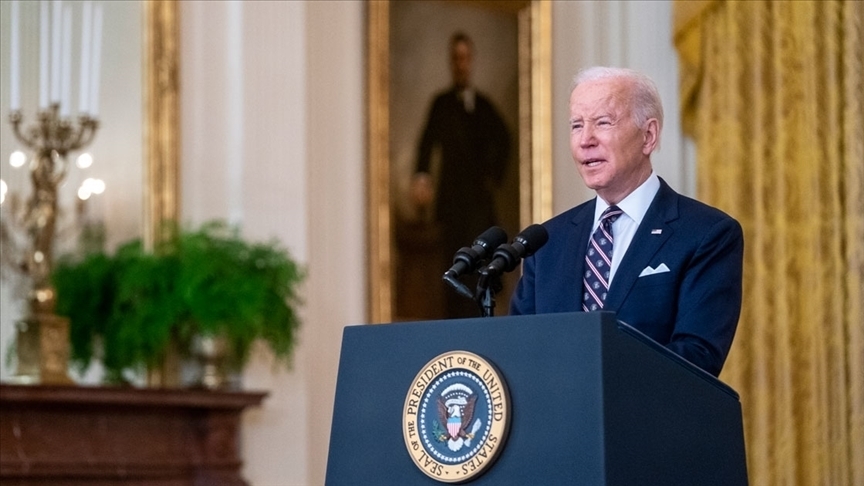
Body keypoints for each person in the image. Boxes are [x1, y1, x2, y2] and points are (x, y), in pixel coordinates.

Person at [509, 67, 743, 377]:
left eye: (603, 122)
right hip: (559, 423)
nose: (585, 140)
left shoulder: (706, 234)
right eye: (576, 125)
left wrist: (588, 375)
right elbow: (518, 352)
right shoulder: (547, 241)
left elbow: (696, 358)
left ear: (648, 136)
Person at [410, 32, 512, 319]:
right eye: (456, 58)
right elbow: (426, 144)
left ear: (472, 61)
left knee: (481, 268)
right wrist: (421, 177)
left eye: (466, 58)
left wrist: (494, 175)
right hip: (451, 202)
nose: (461, 64)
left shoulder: (483, 105)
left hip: (479, 205)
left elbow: (505, 138)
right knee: (454, 268)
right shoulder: (440, 103)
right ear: (450, 62)